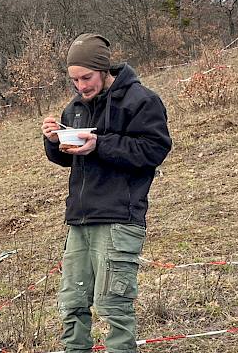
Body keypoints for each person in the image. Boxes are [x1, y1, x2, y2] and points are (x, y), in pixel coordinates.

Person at [42, 33, 172, 353]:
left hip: (119, 217)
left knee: (114, 307)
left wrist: (100, 144)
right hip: (80, 220)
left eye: (86, 77)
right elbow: (67, 157)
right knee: (72, 304)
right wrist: (53, 139)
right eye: (74, 80)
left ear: (103, 69)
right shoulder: (75, 107)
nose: (81, 86)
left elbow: (154, 149)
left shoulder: (141, 100)